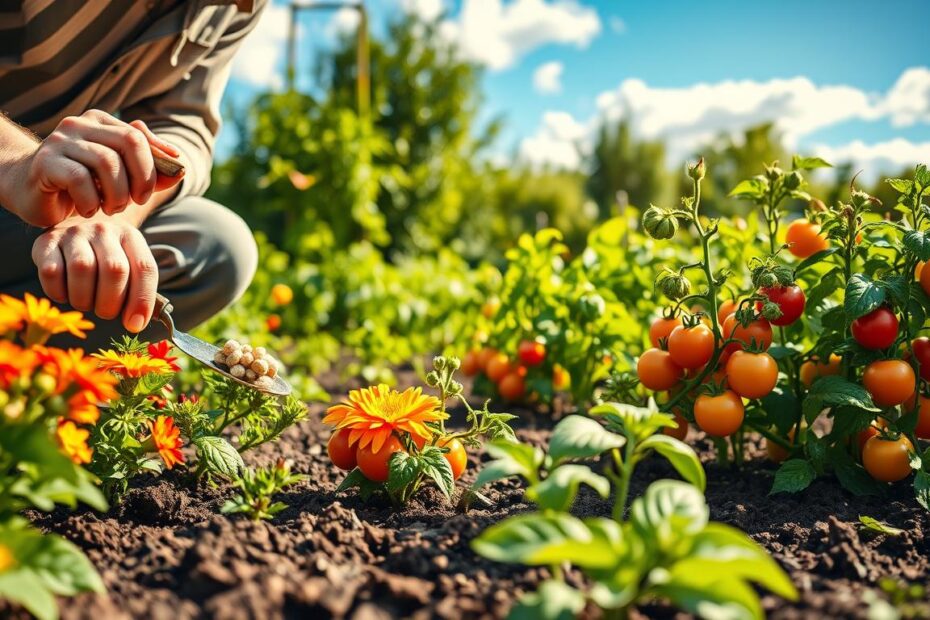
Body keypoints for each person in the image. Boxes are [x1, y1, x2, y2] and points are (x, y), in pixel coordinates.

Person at [0, 0, 264, 349]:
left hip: (32, 216)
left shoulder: (239, 7)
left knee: (215, 246)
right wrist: (16, 164)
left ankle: (27, 379)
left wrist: (110, 215)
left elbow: (183, 123)